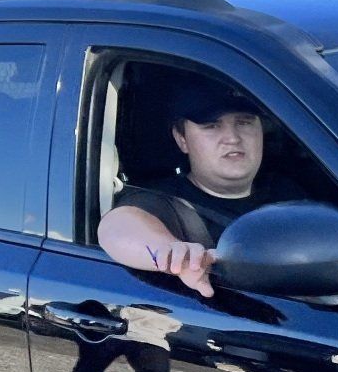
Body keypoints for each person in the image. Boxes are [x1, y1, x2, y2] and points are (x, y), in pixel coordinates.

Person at [96, 79, 304, 298]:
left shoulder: (286, 191)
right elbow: (117, 227)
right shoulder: (164, 201)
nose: (233, 138)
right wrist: (171, 253)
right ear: (182, 139)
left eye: (244, 122)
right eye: (211, 126)